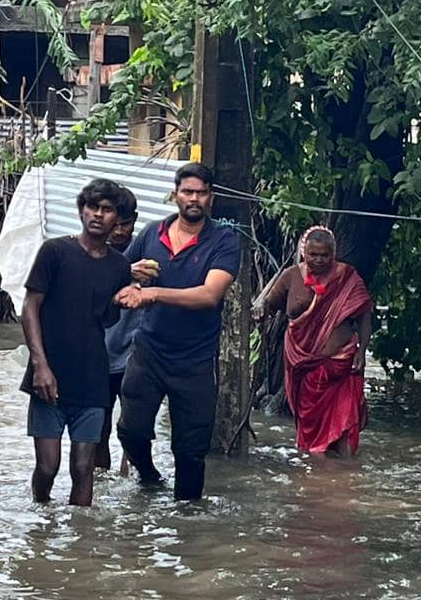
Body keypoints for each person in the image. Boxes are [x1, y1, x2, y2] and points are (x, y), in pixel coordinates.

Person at [115, 162, 240, 500]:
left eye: (201, 192)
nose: (194, 198)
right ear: (176, 195)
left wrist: (152, 294)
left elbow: (209, 295)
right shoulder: (151, 234)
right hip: (149, 351)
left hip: (196, 360)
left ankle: (188, 527)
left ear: (210, 197)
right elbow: (118, 276)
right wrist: (130, 273)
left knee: (190, 450)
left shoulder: (224, 241)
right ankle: (150, 476)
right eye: (187, 192)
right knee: (131, 430)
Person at [19, 179, 132, 505]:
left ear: (117, 218)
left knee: (84, 468)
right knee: (47, 467)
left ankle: (81, 541)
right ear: (82, 210)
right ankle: (40, 520)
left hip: (93, 379)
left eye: (107, 209)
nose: (98, 214)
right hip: (49, 377)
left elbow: (106, 320)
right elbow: (30, 308)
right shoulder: (55, 252)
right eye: (92, 206)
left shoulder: (119, 266)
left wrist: (122, 300)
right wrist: (40, 365)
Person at [256, 226, 373, 456]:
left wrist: (362, 352)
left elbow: (364, 315)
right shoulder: (290, 276)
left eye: (325, 255)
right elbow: (269, 306)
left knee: (345, 426)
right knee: (311, 436)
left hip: (342, 365)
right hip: (303, 367)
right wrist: (260, 311)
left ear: (334, 254)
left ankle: (346, 479)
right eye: (313, 255)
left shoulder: (347, 277)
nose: (319, 260)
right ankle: (315, 479)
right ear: (304, 253)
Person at [96, 184, 139, 472]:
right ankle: (98, 483)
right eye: (116, 223)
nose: (120, 230)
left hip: (136, 357)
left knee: (133, 430)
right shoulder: (90, 254)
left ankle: (130, 485)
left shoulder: (148, 251)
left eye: (127, 224)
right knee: (98, 431)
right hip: (98, 356)